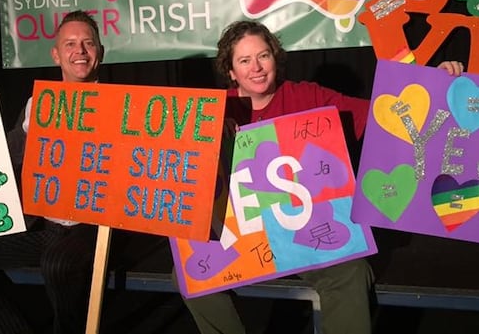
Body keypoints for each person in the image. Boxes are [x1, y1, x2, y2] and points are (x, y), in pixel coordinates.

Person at [181, 20, 464, 334]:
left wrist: (434, 84)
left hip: (307, 231)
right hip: (245, 235)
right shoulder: (213, 112)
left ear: (275, 58)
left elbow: (383, 114)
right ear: (231, 71)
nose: (257, 68)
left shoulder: (306, 96)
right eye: (245, 60)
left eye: (263, 56)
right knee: (190, 272)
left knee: (352, 272)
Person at [0, 10, 105, 334]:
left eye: (88, 43)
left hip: (92, 230)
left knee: (56, 263)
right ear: (56, 54)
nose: (79, 51)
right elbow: (4, 154)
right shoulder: (37, 105)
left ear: (100, 52)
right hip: (45, 228)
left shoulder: (125, 106)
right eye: (70, 44)